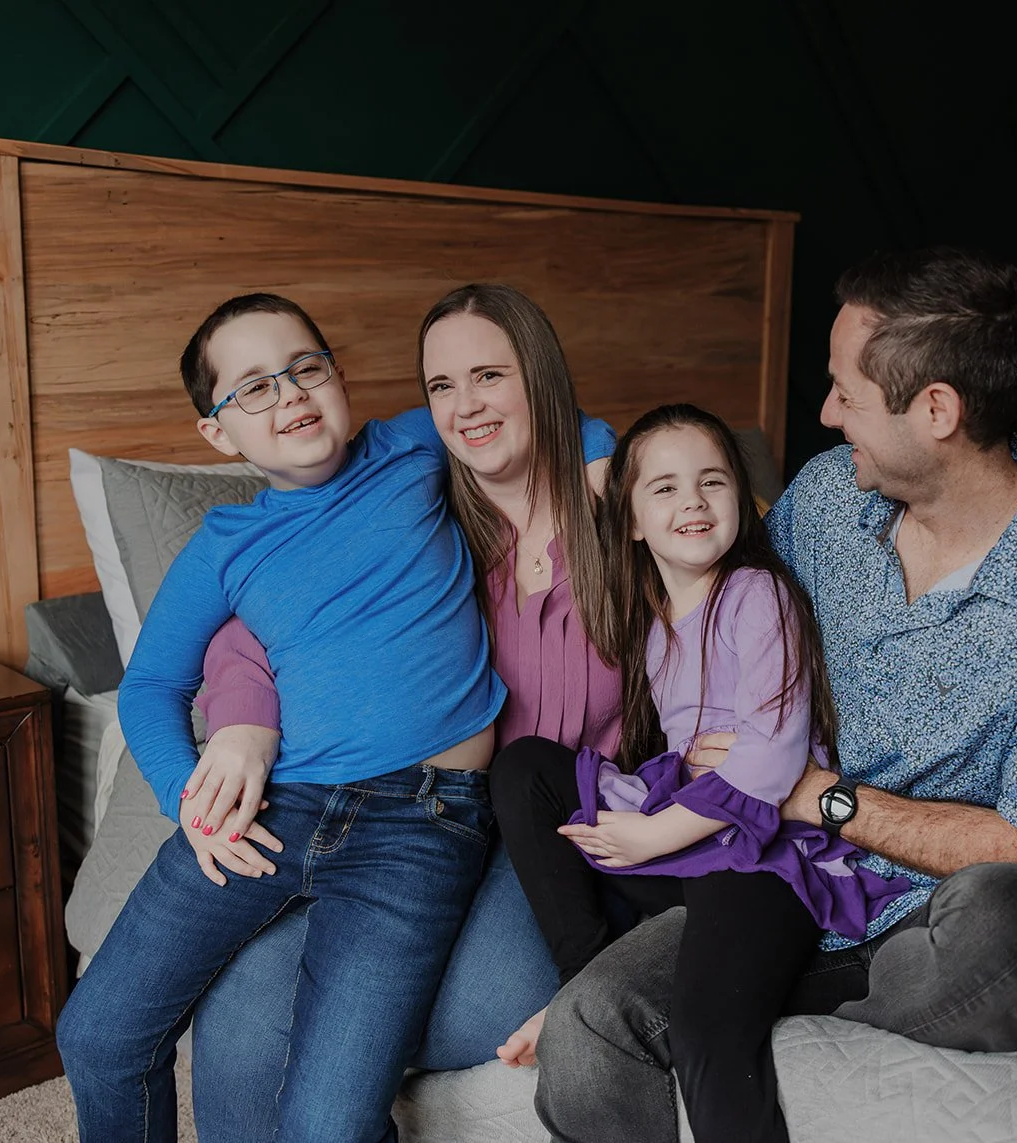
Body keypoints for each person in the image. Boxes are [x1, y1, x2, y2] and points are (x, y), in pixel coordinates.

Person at [531, 247, 1017, 1143]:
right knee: (590, 1023)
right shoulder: (829, 498)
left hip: (925, 904)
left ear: (936, 409)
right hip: (765, 872)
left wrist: (815, 795)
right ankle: (750, 998)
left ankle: (762, 1001)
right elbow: (708, 614)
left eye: (846, 393)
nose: (827, 415)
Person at [55, 291, 615, 1143]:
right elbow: (149, 686)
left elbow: (557, 415)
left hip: (422, 822)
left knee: (328, 1122)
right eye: (253, 388)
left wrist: (600, 461)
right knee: (96, 1034)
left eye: (305, 366)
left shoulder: (414, 445)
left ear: (340, 376)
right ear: (217, 433)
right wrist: (185, 801)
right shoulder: (224, 545)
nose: (290, 394)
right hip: (275, 807)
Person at [489, 404, 909, 1143]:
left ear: (738, 504)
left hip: (761, 856)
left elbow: (772, 758)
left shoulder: (756, 593)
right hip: (689, 841)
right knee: (525, 768)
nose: (692, 501)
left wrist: (654, 834)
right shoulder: (652, 622)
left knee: (707, 1032)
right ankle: (582, 981)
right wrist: (663, 801)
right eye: (665, 488)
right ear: (630, 523)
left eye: (712, 481)